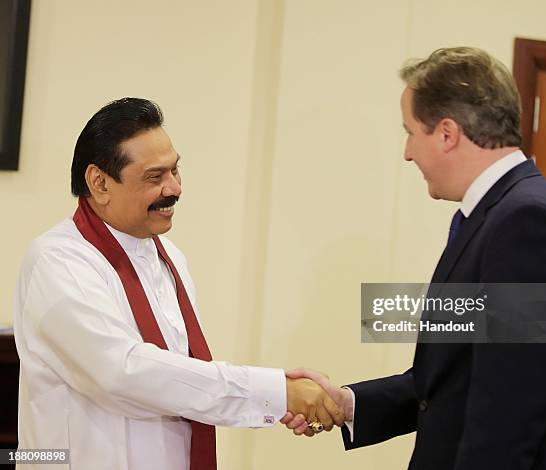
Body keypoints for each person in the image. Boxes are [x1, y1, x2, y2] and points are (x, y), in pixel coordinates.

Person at [283, 47, 546, 469]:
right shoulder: (495, 217)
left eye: (411, 132)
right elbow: (452, 380)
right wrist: (349, 404)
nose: (408, 153)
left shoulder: (528, 223)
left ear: (447, 133)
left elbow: (510, 410)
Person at [13, 98, 343, 470]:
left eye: (175, 171)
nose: (175, 189)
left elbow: (179, 378)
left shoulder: (169, 257)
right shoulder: (57, 261)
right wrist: (274, 393)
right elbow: (124, 374)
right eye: (155, 177)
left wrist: (276, 396)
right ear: (100, 182)